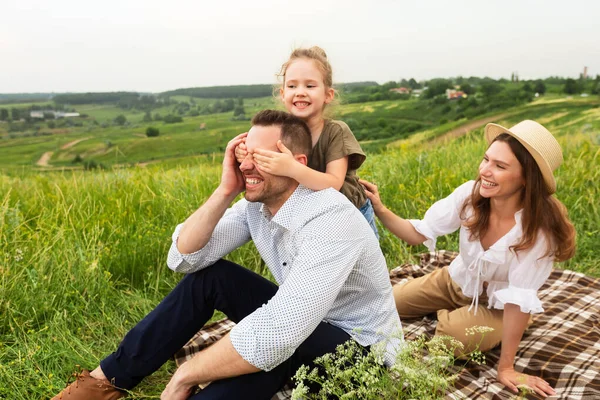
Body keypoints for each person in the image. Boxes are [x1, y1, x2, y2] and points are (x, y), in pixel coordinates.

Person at [53, 110, 401, 400]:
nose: (247, 165)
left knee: (270, 348)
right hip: (304, 327)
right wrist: (225, 189)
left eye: (262, 157)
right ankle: (104, 383)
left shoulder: (330, 217)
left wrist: (187, 373)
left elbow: (280, 331)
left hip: (362, 352)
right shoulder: (258, 205)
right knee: (212, 280)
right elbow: (184, 258)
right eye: (244, 154)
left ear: (296, 163)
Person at [359, 120, 576, 398]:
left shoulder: (538, 231)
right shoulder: (470, 196)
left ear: (526, 178)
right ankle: (446, 312)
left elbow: (518, 300)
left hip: (499, 306)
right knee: (387, 301)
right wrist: (380, 208)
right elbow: (416, 234)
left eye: (500, 166)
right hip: (454, 280)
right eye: (486, 159)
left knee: (450, 338)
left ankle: (449, 319)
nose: (485, 171)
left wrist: (506, 368)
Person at [235, 46, 379, 237]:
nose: (300, 92)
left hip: (350, 213)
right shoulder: (279, 131)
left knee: (358, 263)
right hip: (309, 214)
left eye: (310, 86)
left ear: (328, 94)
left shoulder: (335, 131)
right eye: (292, 86)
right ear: (282, 93)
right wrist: (246, 154)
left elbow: (334, 184)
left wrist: (292, 168)